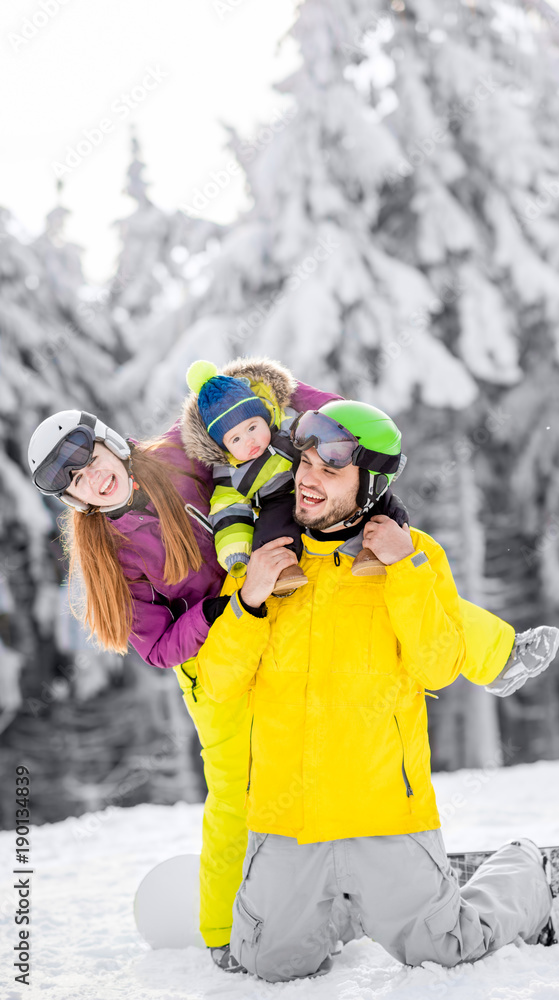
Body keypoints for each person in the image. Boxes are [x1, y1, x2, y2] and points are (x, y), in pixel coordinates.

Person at [194, 400, 559, 981]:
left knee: (450, 950)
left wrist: (405, 571)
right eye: (304, 464)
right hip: (288, 821)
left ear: (370, 485)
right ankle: (345, 907)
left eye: (329, 471)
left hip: (384, 813)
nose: (307, 481)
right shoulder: (265, 565)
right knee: (268, 966)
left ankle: (523, 871)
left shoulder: (417, 558)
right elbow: (217, 683)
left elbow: (438, 667)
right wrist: (248, 602)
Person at [26, 373, 339, 971]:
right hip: (211, 663)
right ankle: (223, 930)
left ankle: (330, 882)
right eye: (75, 483)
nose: (93, 479)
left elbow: (249, 395)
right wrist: (225, 605)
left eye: (89, 460)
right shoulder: (109, 555)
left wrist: (348, 423)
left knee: (312, 749)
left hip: (274, 617)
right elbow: (159, 646)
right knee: (236, 793)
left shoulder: (177, 453)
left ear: (109, 444)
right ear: (73, 500)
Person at [181, 357, 399, 593]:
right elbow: (228, 507)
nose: (249, 440)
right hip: (277, 498)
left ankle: (381, 545)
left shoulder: (291, 425)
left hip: (317, 481)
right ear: (223, 447)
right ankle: (283, 572)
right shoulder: (230, 472)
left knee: (378, 499)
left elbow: (324, 428)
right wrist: (235, 551)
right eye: (236, 439)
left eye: (252, 427)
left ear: (266, 415)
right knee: (273, 528)